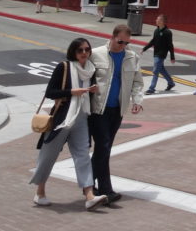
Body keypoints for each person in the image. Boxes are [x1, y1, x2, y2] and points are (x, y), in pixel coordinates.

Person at [29, 38, 107, 211]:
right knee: (48, 155)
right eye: (80, 50)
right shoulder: (64, 67)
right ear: (73, 52)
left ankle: (89, 196)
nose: (84, 53)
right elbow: (50, 92)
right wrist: (72, 92)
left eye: (87, 50)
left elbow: (89, 95)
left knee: (83, 155)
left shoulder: (90, 70)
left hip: (81, 118)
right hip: (63, 118)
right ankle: (40, 192)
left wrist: (93, 91)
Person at [89, 25, 144, 203]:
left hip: (118, 109)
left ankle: (88, 182)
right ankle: (106, 190)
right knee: (103, 146)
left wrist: (137, 101)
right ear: (112, 37)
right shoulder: (96, 54)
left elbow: (137, 81)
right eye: (121, 42)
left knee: (104, 148)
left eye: (127, 43)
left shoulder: (131, 57)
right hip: (98, 109)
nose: (123, 46)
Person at [141, 14, 176, 94]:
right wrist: (145, 48)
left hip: (162, 54)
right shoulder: (156, 30)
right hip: (156, 53)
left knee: (155, 71)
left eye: (158, 19)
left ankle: (151, 88)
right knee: (161, 70)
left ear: (162, 21)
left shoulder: (168, 32)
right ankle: (171, 83)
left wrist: (172, 57)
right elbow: (153, 41)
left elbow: (170, 45)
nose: (156, 21)